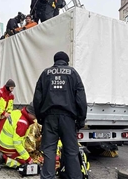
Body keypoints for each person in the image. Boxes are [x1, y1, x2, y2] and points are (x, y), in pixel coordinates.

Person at [33, 51, 87, 179]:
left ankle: (47, 177)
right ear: (66, 61)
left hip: (49, 118)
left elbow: (37, 98)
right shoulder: (73, 73)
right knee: (71, 151)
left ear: (55, 61)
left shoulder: (45, 74)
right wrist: (80, 120)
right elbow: (81, 99)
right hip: (68, 118)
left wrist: (41, 118)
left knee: (49, 151)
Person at [0, 104, 36, 171]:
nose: (35, 118)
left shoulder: (16, 112)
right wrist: (28, 159)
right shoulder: (23, 123)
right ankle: (4, 158)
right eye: (35, 116)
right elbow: (17, 144)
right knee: (22, 162)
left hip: (1, 143)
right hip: (9, 147)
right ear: (30, 113)